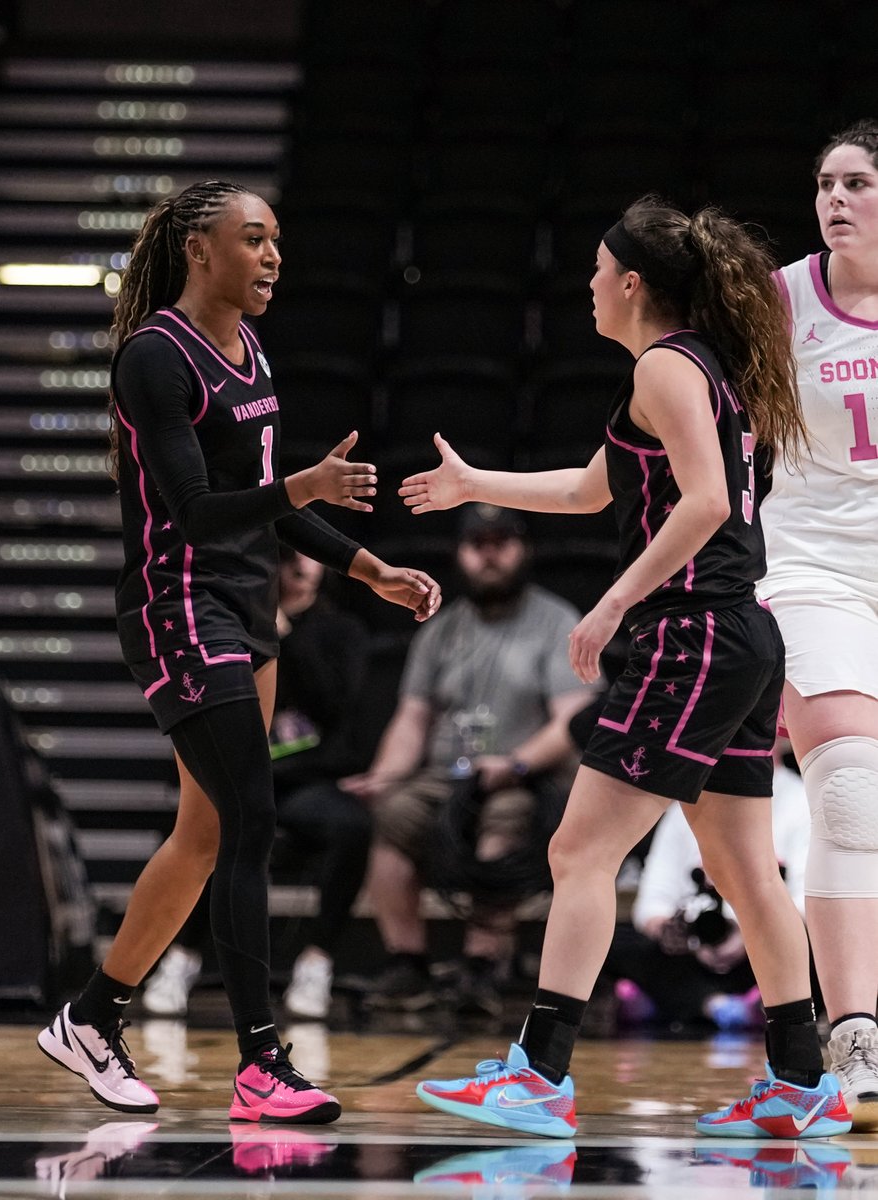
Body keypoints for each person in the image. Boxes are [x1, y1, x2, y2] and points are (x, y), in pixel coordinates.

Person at [402, 195, 852, 1139]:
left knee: (579, 850)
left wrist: (613, 603)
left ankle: (540, 1072)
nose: (590, 288)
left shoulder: (664, 365)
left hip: (691, 635)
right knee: (741, 868)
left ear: (633, 283)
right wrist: (474, 483)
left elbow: (709, 501)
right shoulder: (690, 368)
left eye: (599, 273)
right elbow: (592, 486)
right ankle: (803, 1081)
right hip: (737, 635)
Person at [36, 179, 440, 1123]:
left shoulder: (250, 347)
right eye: (253, 240)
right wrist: (307, 480)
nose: (272, 258)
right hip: (178, 607)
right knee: (251, 819)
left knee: (206, 833)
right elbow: (197, 511)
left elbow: (270, 506)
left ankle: (91, 1018)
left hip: (247, 606)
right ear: (198, 250)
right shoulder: (153, 357)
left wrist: (367, 566)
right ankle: (261, 1066)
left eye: (277, 243)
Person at [341, 503, 599, 1018]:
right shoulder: (440, 628)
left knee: (502, 823)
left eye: (501, 542)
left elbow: (574, 719)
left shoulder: (556, 622)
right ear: (460, 554)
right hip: (447, 777)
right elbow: (412, 717)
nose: (489, 555)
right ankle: (407, 963)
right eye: (477, 544)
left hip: (524, 777)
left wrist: (516, 764)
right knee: (394, 814)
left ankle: (483, 967)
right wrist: (385, 776)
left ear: (523, 549)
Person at [757, 119, 878, 1129]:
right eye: (825, 181)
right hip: (812, 567)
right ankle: (855, 1034)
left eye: (858, 183)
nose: (835, 199)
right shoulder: (780, 297)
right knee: (847, 788)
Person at [143, 546, 373, 1022]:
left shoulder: (339, 631)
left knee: (352, 829)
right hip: (243, 775)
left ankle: (317, 961)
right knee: (214, 829)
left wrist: (284, 638)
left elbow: (335, 708)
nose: (303, 568)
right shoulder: (230, 625)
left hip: (305, 780)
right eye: (290, 558)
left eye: (313, 559)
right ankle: (182, 958)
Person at [603, 744, 811, 1032]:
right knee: (609, 939)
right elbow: (653, 898)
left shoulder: (802, 801)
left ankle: (678, 1001)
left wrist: (746, 936)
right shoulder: (685, 805)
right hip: (692, 947)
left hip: (765, 943)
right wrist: (678, 935)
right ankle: (722, 1005)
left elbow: (807, 901)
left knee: (813, 950)